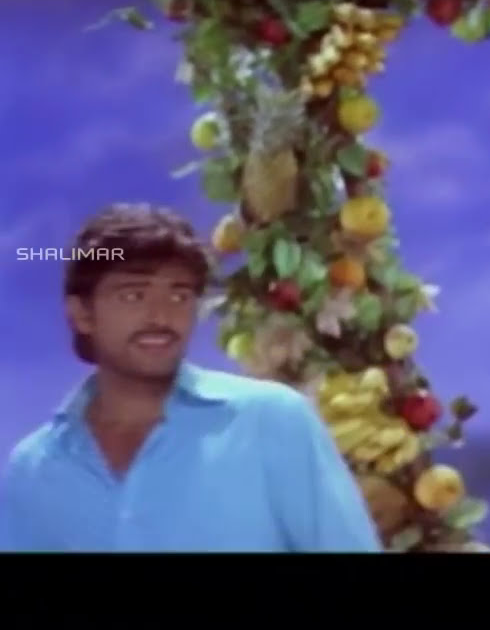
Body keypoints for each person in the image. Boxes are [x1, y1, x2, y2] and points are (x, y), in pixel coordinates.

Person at [0, 203, 380, 552]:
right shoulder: (34, 469)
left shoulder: (271, 421)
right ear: (82, 314)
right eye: (133, 295)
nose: (161, 317)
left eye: (179, 296)